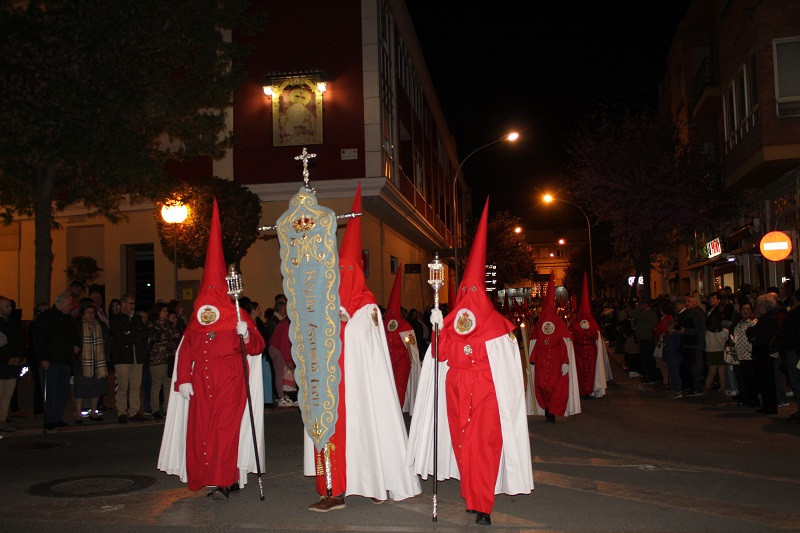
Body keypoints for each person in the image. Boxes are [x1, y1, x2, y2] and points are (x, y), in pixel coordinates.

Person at [406, 198, 533, 526]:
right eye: (465, 290)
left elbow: (508, 369)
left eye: (474, 290)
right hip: (456, 390)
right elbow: (441, 355)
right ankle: (475, 494)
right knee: (464, 445)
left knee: (484, 446)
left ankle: (483, 504)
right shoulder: (451, 321)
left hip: (488, 393)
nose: (468, 297)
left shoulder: (497, 327)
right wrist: (437, 326)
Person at [302, 185, 420, 511]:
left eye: (348, 270)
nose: (342, 276)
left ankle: (374, 480)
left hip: (360, 386)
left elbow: (364, 342)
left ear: (358, 273)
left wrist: (345, 321)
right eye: (338, 270)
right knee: (331, 436)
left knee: (366, 432)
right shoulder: (323, 300)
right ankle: (331, 490)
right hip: (330, 385)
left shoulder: (368, 306)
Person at [158, 198, 266, 501]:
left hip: (230, 378)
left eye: (211, 289)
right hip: (202, 381)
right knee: (202, 431)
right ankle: (208, 477)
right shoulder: (196, 318)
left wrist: (247, 334)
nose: (207, 295)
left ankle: (226, 479)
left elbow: (257, 348)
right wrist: (184, 379)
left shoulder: (237, 314)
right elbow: (187, 349)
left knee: (224, 429)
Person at [529, 273, 580, 423]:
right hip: (542, 364)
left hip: (556, 363)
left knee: (554, 387)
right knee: (542, 386)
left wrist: (565, 362)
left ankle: (551, 409)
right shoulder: (539, 327)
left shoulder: (559, 327)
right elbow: (535, 344)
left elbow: (564, 344)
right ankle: (545, 407)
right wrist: (532, 361)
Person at [36, 291, 81, 431]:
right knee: (50, 390)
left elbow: (75, 335)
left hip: (65, 360)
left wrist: (77, 346)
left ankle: (57, 417)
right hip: (51, 360)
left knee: (62, 390)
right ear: (60, 303)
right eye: (69, 304)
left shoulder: (68, 319)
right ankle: (49, 419)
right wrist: (43, 358)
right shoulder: (46, 317)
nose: (71, 307)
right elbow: (39, 339)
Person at [383, 266, 420, 412]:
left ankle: (397, 411)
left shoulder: (405, 325)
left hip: (402, 360)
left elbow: (411, 345)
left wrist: (412, 359)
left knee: (399, 385)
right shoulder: (383, 325)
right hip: (387, 359)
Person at [568, 272, 608, 399]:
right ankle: (581, 390)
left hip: (590, 351)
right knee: (580, 370)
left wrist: (588, 331)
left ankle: (590, 389)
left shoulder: (592, 324)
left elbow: (597, 336)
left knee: (590, 371)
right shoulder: (574, 324)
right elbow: (571, 335)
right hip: (578, 351)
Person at [109, 294, 147, 423]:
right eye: (131, 303)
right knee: (122, 386)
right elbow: (119, 336)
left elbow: (143, 334)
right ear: (123, 304)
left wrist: (131, 334)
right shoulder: (116, 319)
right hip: (123, 358)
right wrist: (133, 336)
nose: (133, 306)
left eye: (134, 304)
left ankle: (134, 412)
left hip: (137, 357)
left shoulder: (137, 318)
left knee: (136, 386)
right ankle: (122, 412)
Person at [73, 298, 108, 423]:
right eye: (88, 312)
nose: (91, 315)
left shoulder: (100, 326)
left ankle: (93, 412)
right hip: (82, 362)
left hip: (98, 362)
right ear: (83, 313)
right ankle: (78, 412)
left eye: (92, 312)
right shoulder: (77, 325)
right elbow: (74, 341)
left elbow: (106, 340)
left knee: (97, 386)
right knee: (80, 387)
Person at [147, 302, 181, 419]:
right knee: (157, 384)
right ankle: (155, 409)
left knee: (167, 384)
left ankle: (167, 409)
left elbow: (177, 336)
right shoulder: (152, 325)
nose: (167, 313)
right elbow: (154, 339)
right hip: (157, 359)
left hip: (169, 358)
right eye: (164, 311)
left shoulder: (169, 325)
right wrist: (167, 338)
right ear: (158, 311)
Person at [0, 296, 24, 432]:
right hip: (2, 364)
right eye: (6, 306)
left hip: (12, 365)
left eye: (10, 306)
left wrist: (19, 357)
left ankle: (2, 420)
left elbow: (18, 341)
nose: (10, 309)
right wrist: (7, 358)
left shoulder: (13, 322)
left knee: (8, 394)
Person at [677, 293, 706, 397]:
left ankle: (697, 388)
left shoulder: (697, 312)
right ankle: (692, 386)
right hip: (689, 343)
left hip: (695, 343)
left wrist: (686, 331)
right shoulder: (690, 312)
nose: (687, 304)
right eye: (687, 302)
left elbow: (700, 329)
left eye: (689, 301)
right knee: (691, 366)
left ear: (695, 301)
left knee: (696, 367)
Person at [268, 299, 293, 406]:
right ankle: (282, 397)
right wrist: (288, 360)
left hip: (276, 348)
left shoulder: (286, 322)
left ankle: (285, 396)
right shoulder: (286, 324)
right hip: (277, 349)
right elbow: (284, 344)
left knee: (282, 372)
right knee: (280, 372)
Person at [703, 292, 728, 394]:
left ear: (718, 300)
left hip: (714, 342)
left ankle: (709, 388)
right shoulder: (712, 310)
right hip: (716, 343)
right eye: (710, 299)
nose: (711, 300)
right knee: (718, 370)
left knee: (713, 370)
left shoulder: (717, 311)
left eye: (713, 298)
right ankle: (720, 388)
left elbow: (714, 326)